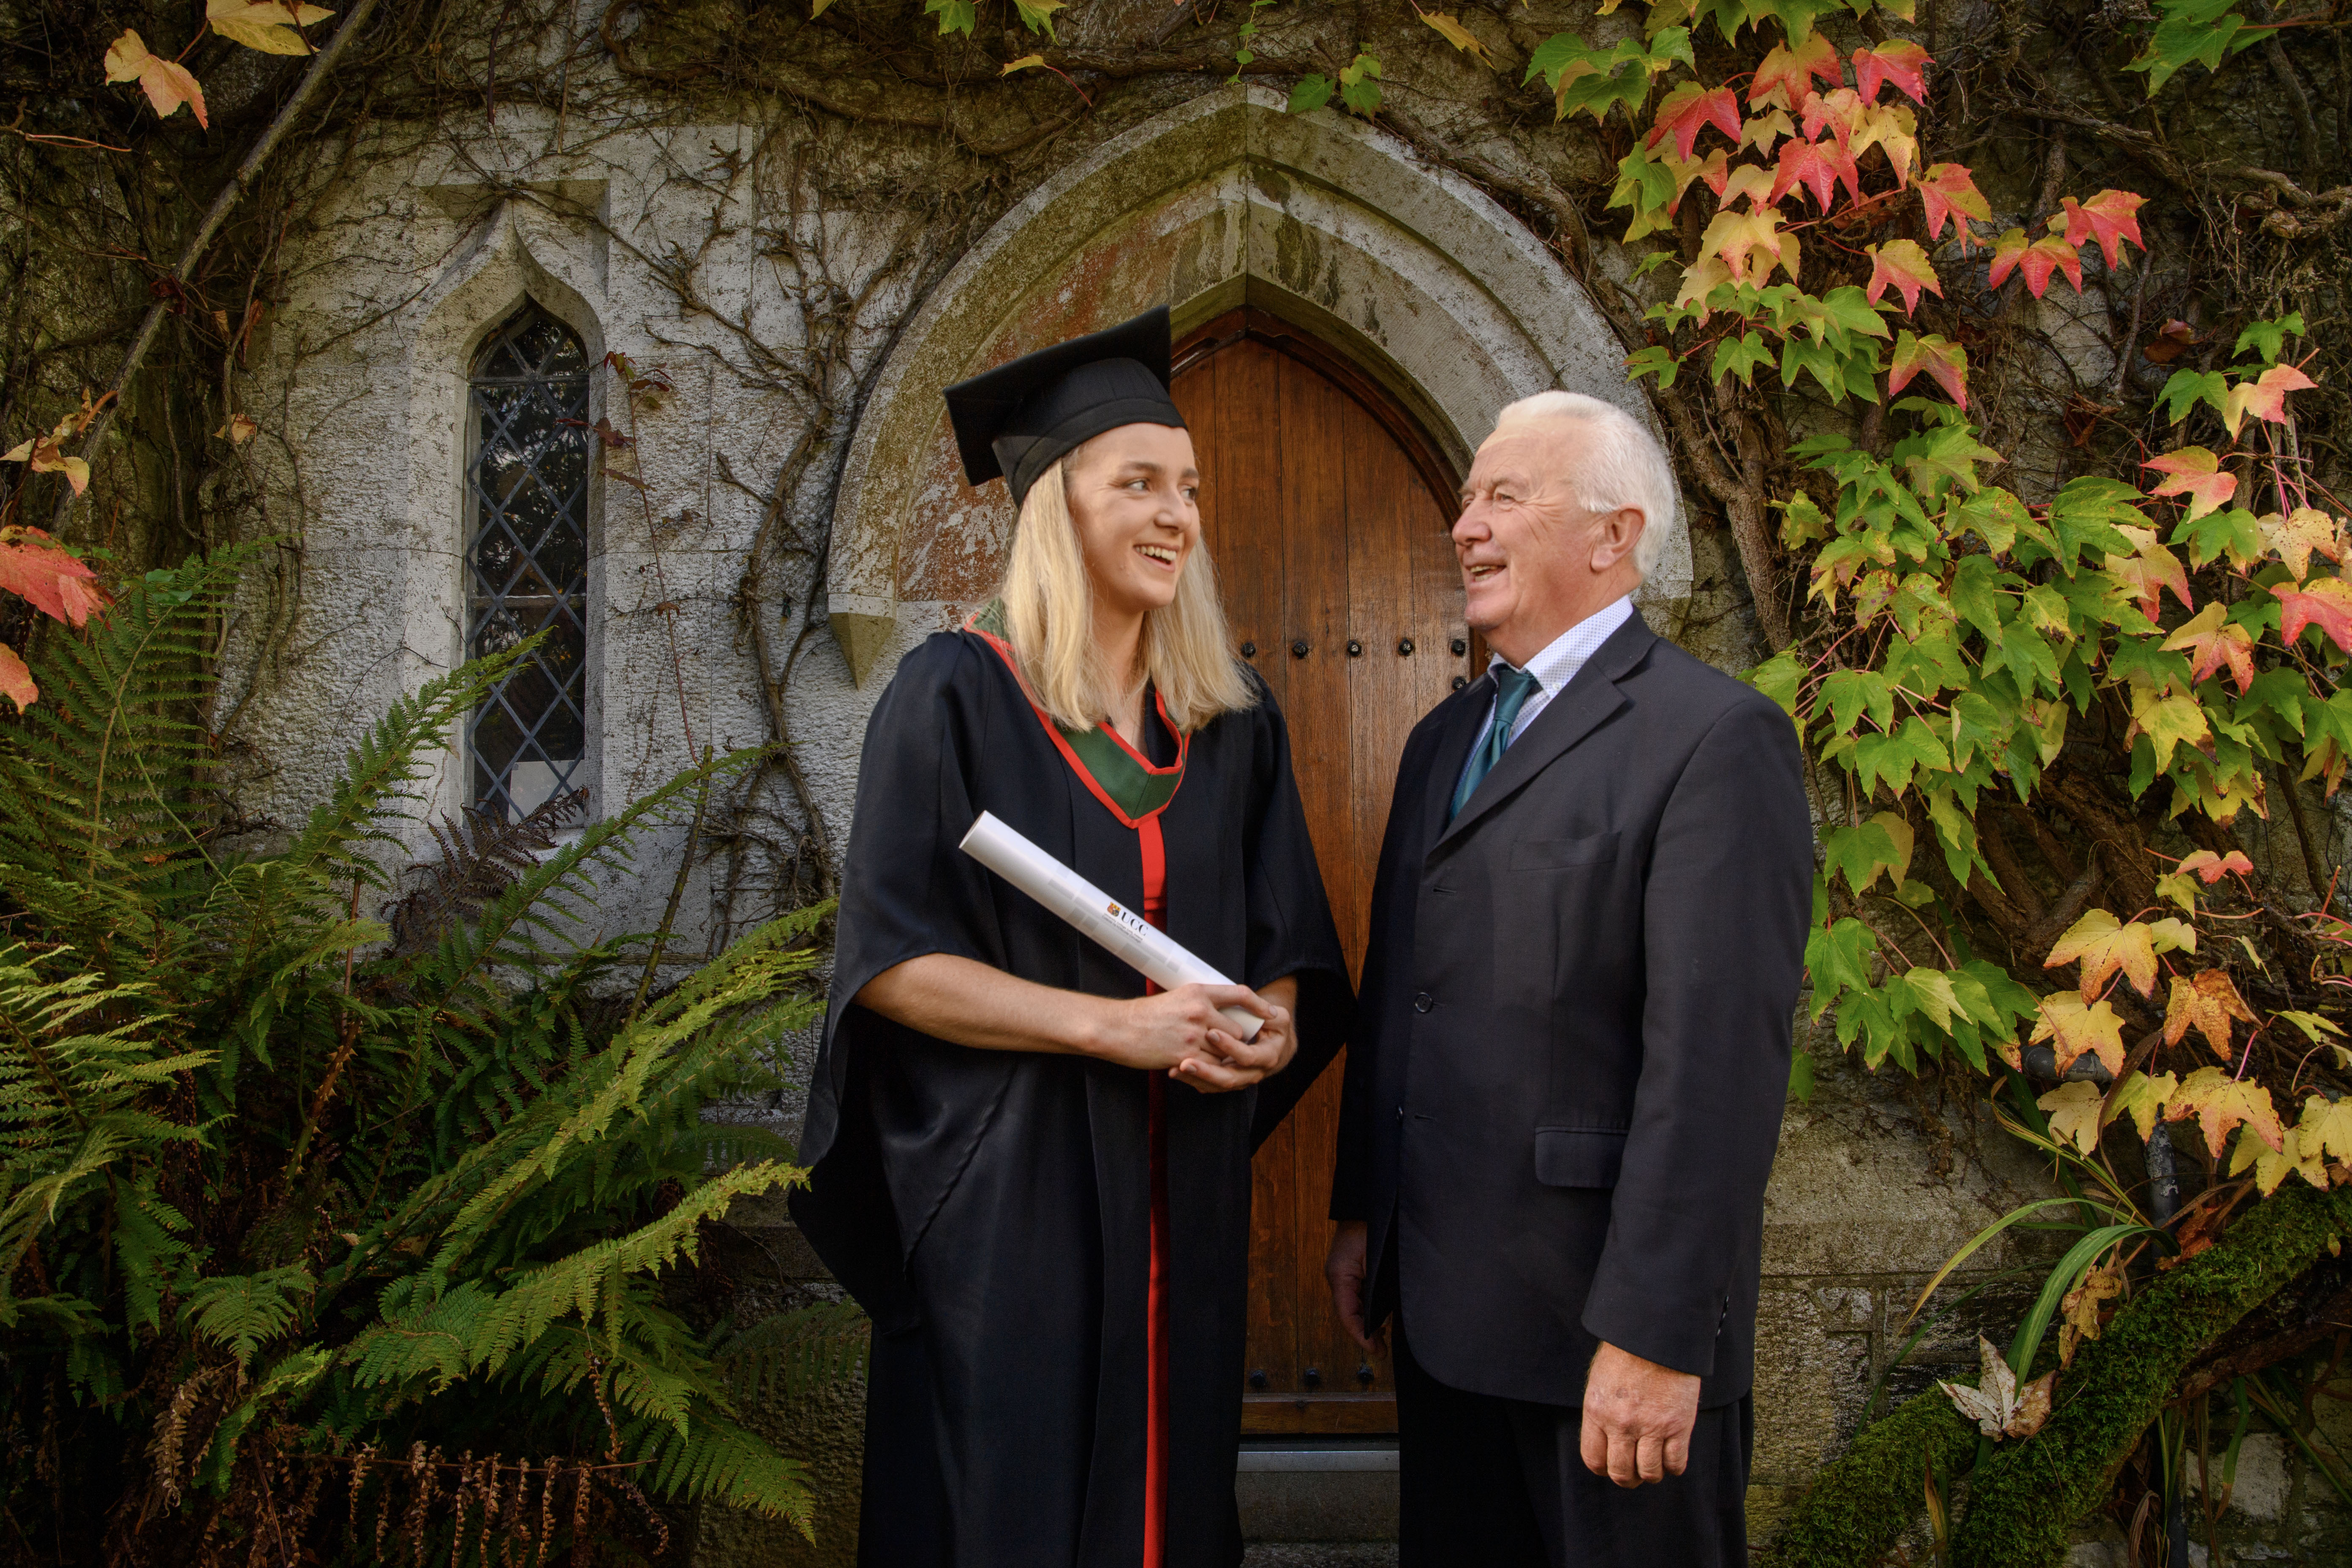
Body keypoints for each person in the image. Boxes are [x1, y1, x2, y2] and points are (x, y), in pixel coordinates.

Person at [793, 307, 1351, 1568]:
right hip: (1014, 1193)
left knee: (1175, 1492)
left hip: (1184, 1186)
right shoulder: (951, 697)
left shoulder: (1231, 720)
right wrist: (1116, 1028)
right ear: (1056, 503)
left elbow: (1290, 943)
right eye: (1139, 484)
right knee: (1012, 1501)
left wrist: (1272, 1030)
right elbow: (888, 964)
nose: (1176, 515)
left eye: (1189, 489)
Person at [1323, 390, 1812, 1566]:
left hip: (1606, 1343)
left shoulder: (1714, 738)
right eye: (1466, 496)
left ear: (1614, 536)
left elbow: (1716, 1073)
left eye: (1505, 495)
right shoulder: (1446, 738)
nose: (1465, 524)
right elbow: (1404, 994)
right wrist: (1363, 1213)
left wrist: (1656, 1334)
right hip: (1445, 1319)